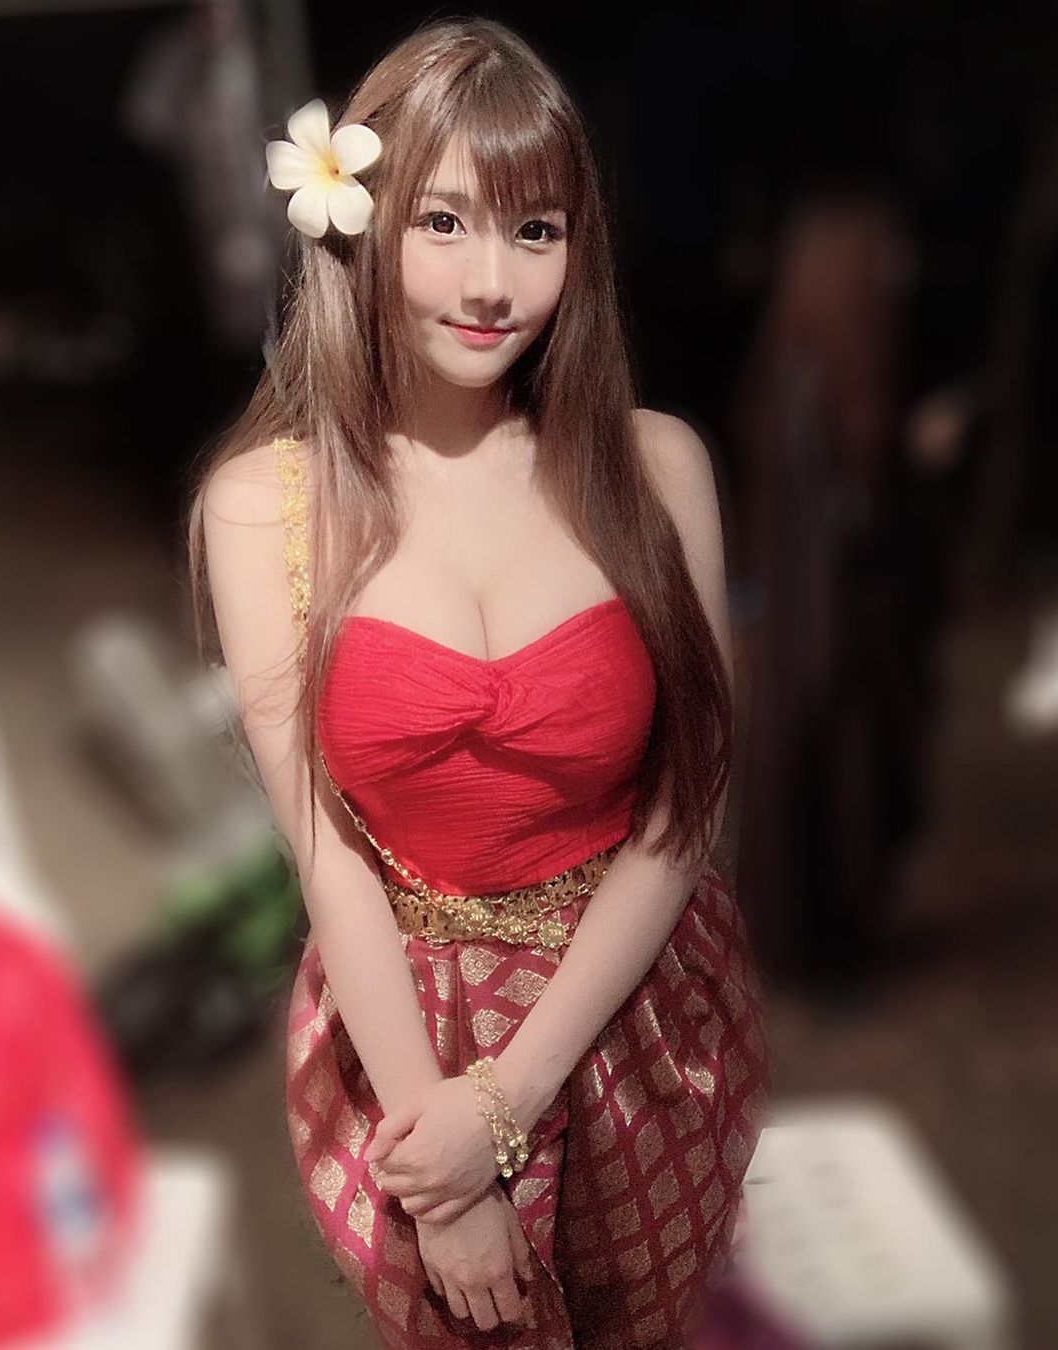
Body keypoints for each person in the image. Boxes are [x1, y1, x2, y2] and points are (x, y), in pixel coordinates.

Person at [186, 17, 768, 1348]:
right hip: (404, 1037)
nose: (493, 282)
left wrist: (507, 1098)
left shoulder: (657, 466)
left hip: (640, 1022)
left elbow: (682, 817)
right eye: (443, 222)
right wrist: (447, 1176)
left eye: (535, 231)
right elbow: (328, 852)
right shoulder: (263, 504)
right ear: (361, 220)